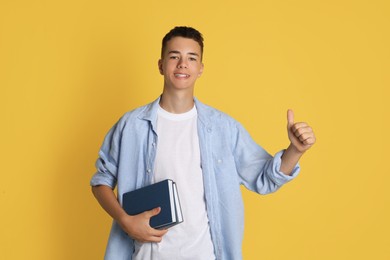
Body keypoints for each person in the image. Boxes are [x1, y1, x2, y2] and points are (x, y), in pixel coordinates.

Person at [90, 26, 316, 260]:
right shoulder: (132, 125)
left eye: (191, 58)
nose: (182, 64)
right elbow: (100, 182)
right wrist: (125, 221)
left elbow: (264, 178)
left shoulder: (223, 128)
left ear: (200, 69)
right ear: (160, 65)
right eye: (174, 56)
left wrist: (295, 150)